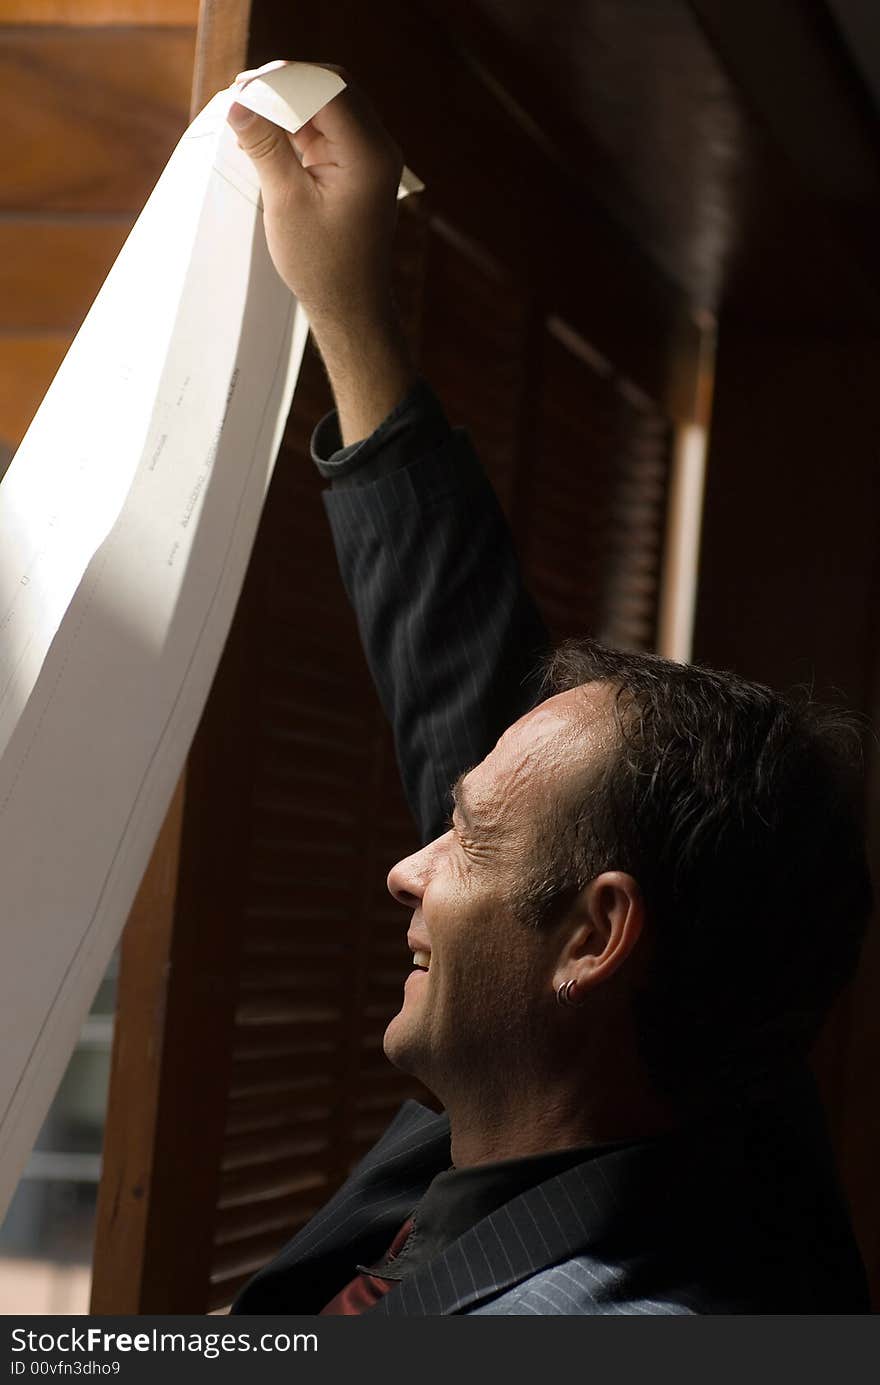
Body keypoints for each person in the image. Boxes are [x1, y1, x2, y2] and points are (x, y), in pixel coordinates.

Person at [224, 67, 872, 1314]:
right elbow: (466, 679)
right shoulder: (677, 1068)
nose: (407, 867)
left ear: (593, 932)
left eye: (463, 836)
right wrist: (352, 314)